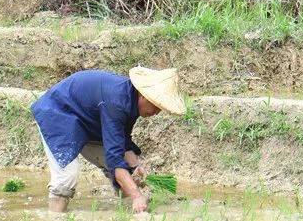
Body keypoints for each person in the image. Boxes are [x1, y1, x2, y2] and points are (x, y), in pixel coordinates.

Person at [31, 67, 186, 213]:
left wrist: (136, 166)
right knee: (66, 178)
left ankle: (131, 212)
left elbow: (121, 140)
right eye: (157, 106)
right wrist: (137, 196)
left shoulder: (131, 100)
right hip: (58, 112)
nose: (157, 112)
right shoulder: (117, 101)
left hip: (88, 122)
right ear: (144, 96)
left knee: (126, 170)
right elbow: (114, 158)